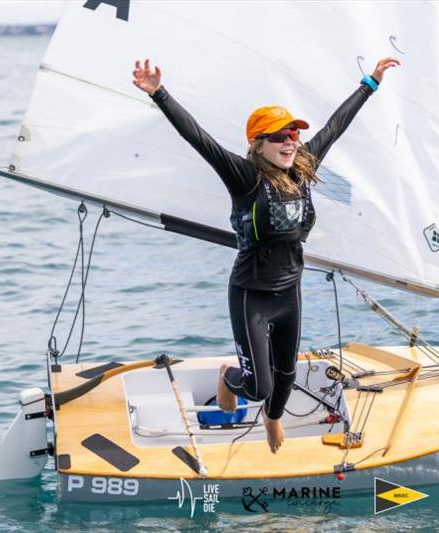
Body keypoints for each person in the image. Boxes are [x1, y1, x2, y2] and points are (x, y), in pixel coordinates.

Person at [132, 56, 400, 453]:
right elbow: (198, 138)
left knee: (286, 379)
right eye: (278, 136)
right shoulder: (244, 176)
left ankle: (273, 420)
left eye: (292, 133)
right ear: (258, 144)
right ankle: (228, 379)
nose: (290, 141)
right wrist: (159, 93)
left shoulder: (303, 164)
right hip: (251, 294)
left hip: (289, 291)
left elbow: (335, 126)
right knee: (259, 386)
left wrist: (370, 83)